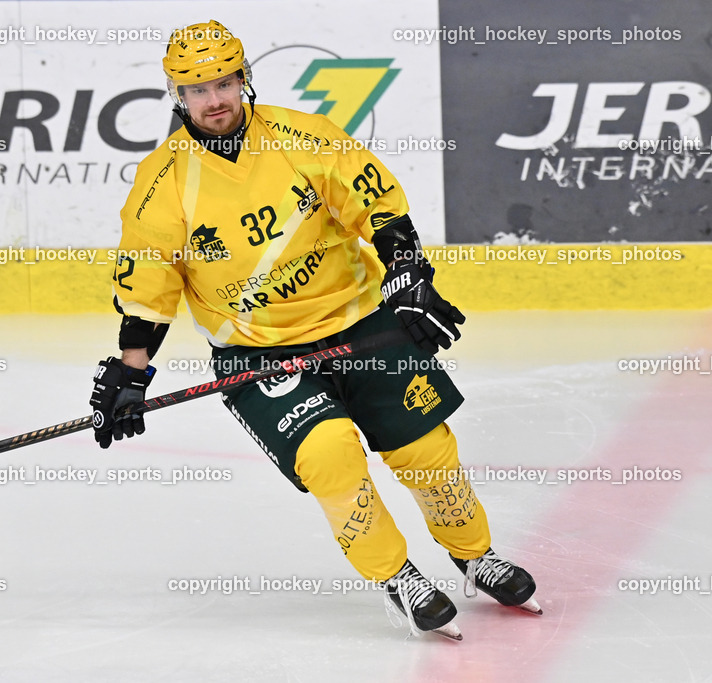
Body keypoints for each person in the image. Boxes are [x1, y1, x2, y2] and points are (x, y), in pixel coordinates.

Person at [89, 19, 540, 640]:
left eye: (224, 81)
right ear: (177, 96)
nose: (214, 99)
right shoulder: (162, 183)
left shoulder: (302, 135)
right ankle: (397, 576)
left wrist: (406, 271)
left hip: (359, 326)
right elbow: (149, 283)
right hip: (260, 352)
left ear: (244, 77)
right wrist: (130, 369)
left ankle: (474, 556)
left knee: (427, 453)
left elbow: (375, 201)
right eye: (197, 89)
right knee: (330, 454)